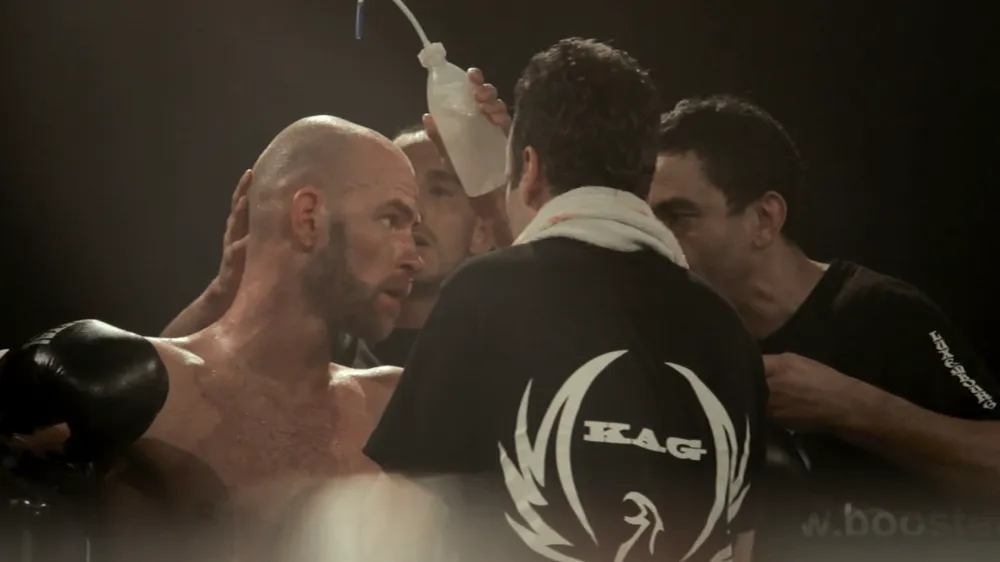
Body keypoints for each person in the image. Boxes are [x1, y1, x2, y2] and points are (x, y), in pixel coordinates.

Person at [361, 38, 766, 562]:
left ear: (529, 168)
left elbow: (401, 524)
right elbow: (740, 544)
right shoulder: (728, 330)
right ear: (645, 177)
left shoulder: (484, 295)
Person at [0, 115, 422, 561]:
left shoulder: (394, 405)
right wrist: (220, 294)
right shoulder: (152, 393)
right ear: (309, 218)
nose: (414, 257)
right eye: (391, 219)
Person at [650, 95, 1000, 560]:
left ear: (764, 219)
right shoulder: (683, 340)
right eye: (647, 219)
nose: (654, 239)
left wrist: (849, 405)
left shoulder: (883, 313)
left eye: (677, 217)